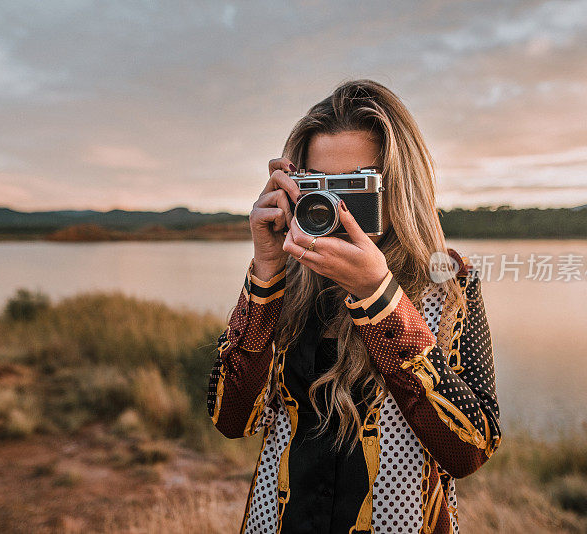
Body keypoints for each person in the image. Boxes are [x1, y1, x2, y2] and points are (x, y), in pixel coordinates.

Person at [206, 79, 502, 534]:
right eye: (319, 187)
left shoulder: (447, 286)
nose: (336, 207)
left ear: (400, 188)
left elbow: (472, 447)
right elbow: (231, 419)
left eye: (356, 186)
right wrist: (265, 269)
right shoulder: (284, 280)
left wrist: (378, 295)